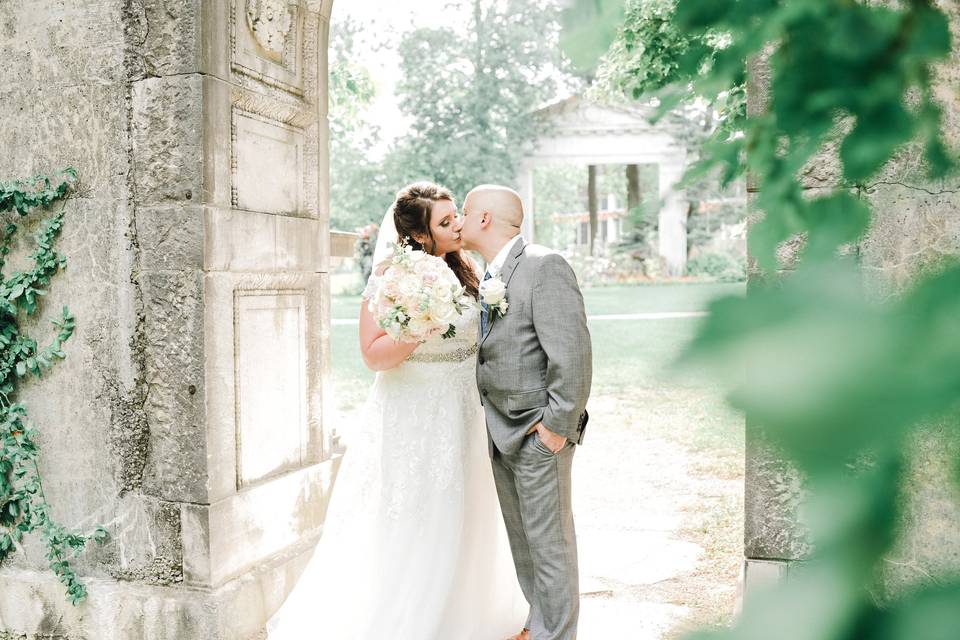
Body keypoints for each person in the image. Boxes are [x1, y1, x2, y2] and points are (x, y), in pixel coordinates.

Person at [266, 182, 527, 639]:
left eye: (456, 216)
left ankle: (467, 612)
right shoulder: (392, 276)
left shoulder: (467, 272)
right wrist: (424, 323)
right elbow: (373, 355)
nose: (458, 224)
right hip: (414, 411)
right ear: (422, 235)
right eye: (446, 221)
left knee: (469, 508)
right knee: (419, 511)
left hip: (465, 410)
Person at [458, 185, 592, 640]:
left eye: (465, 210)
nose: (459, 218)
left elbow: (571, 356)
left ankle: (557, 633)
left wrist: (555, 429)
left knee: (550, 545)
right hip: (500, 429)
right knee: (525, 543)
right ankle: (541, 625)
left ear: (482, 220)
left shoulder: (543, 266)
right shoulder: (491, 273)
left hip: (537, 432)